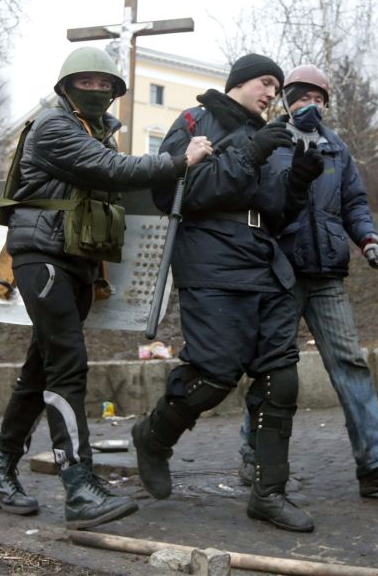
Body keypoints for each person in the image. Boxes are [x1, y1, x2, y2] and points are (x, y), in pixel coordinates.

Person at [0, 46, 213, 530]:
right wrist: (179, 160)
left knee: (40, 368)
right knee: (67, 364)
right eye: (84, 82)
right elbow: (114, 172)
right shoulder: (53, 128)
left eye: (104, 84)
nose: (95, 89)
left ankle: (0, 471)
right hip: (42, 259)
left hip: (77, 263)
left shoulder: (97, 134)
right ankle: (79, 485)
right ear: (65, 88)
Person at [131, 53, 325, 533]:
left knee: (280, 378)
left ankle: (268, 494)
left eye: (276, 88)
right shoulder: (197, 119)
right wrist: (254, 151)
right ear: (239, 82)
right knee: (214, 375)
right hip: (211, 262)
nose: (271, 93)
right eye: (264, 82)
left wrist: (298, 179)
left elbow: (272, 208)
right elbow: (178, 191)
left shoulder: (267, 136)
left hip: (264, 260)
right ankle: (153, 438)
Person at [234, 65, 378, 497]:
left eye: (318, 99)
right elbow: (258, 202)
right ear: (287, 101)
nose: (310, 104)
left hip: (327, 275)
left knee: (351, 365)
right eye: (301, 97)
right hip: (282, 273)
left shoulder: (337, 148)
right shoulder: (270, 142)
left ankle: (376, 462)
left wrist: (369, 239)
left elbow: (354, 201)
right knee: (273, 370)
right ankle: (252, 455)